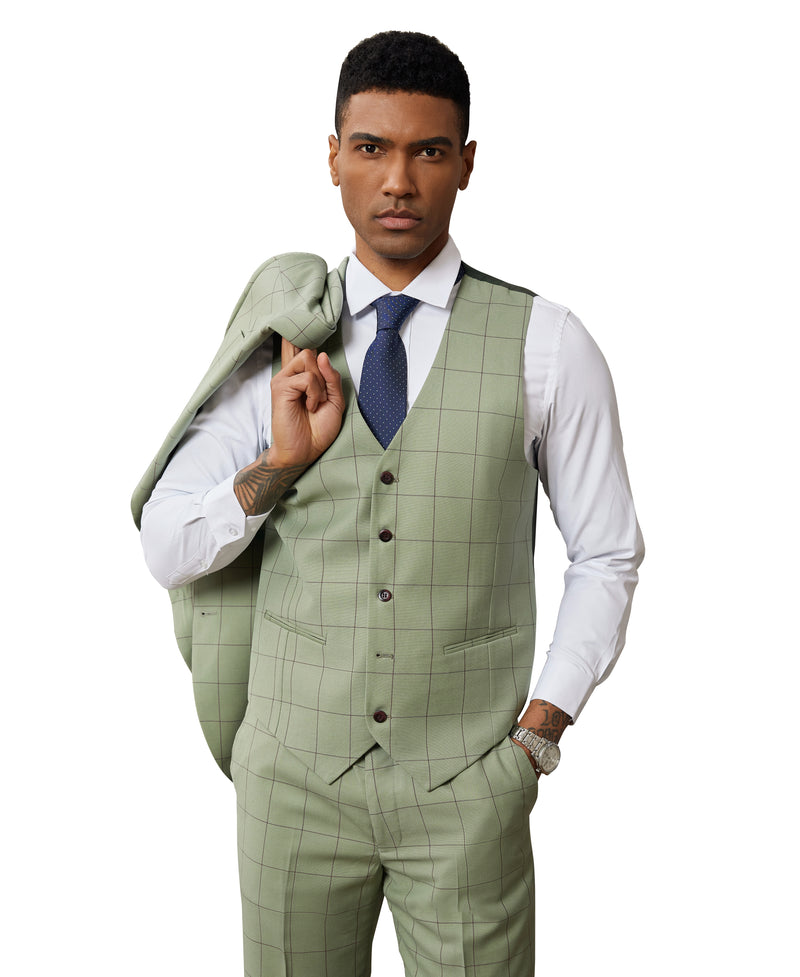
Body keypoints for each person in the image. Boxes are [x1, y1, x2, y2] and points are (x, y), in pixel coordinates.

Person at [132, 30, 643, 977]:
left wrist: (538, 733)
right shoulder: (280, 343)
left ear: (467, 163)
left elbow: (606, 552)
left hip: (468, 789)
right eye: (371, 148)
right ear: (333, 157)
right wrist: (279, 464)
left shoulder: (548, 344)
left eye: (428, 151)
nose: (398, 181)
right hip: (290, 785)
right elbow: (167, 545)